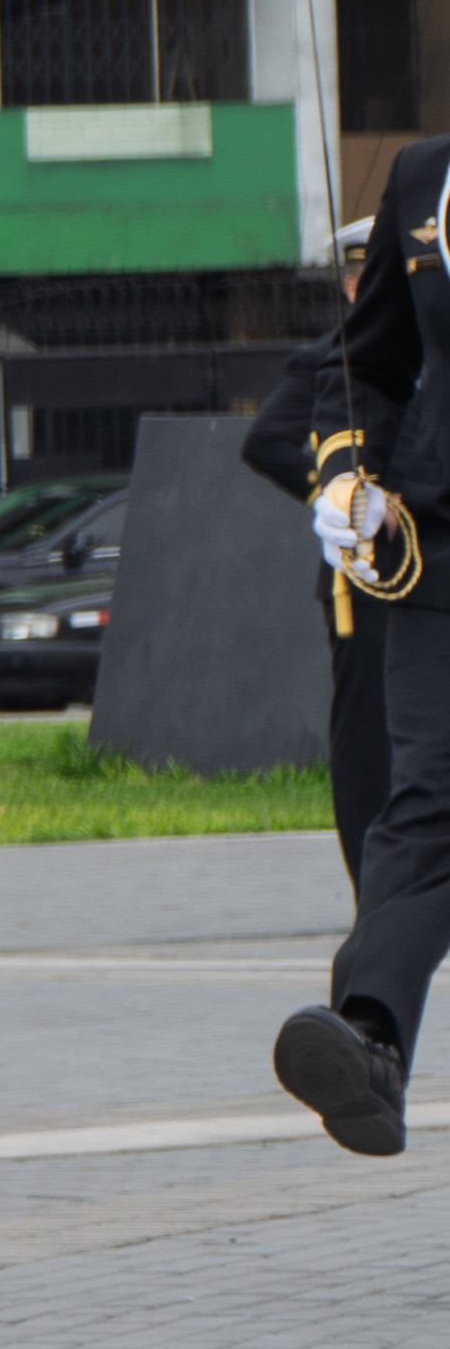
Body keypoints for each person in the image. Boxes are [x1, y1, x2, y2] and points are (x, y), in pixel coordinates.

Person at [288, 146, 450, 1153]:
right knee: (428, 799)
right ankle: (369, 1039)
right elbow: (369, 364)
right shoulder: (422, 177)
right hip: (441, 551)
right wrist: (348, 475)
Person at [246, 225, 381, 891]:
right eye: (359, 277)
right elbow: (265, 441)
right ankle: (374, 885)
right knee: (368, 736)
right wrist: (330, 494)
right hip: (364, 574)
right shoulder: (334, 357)